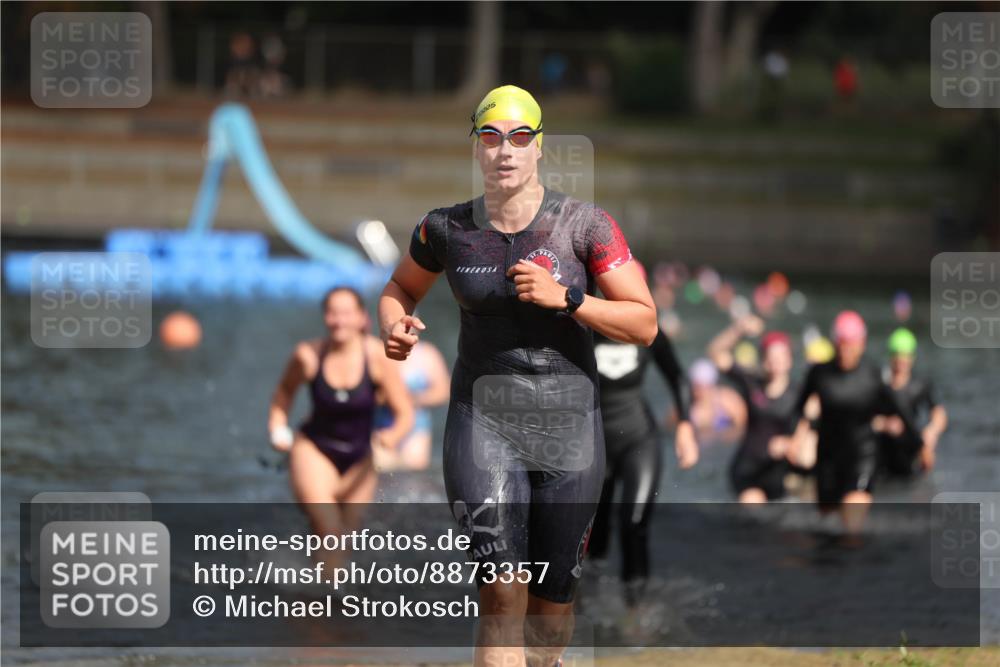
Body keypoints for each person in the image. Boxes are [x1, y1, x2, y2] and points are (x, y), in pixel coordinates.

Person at [378, 85, 656, 667]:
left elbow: (644, 323)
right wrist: (395, 324)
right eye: (491, 137)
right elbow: (400, 287)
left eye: (519, 137)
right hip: (483, 422)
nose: (505, 150)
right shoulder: (444, 229)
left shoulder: (585, 225)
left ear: (539, 148)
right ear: (476, 147)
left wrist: (569, 299)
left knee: (549, 613)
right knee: (502, 593)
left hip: (569, 430)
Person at [268, 287, 414, 565]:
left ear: (361, 318)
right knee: (330, 531)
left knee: (345, 540)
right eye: (332, 314)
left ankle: (314, 584)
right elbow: (283, 395)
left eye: (346, 313)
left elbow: (404, 412)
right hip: (314, 452)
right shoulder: (308, 355)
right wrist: (278, 427)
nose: (339, 321)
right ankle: (324, 587)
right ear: (325, 317)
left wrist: (391, 437)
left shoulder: (376, 357)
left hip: (361, 458)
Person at [588, 260, 699, 606]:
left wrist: (685, 426)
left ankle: (634, 613)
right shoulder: (583, 327)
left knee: (634, 524)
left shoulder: (648, 330)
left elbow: (677, 376)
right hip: (593, 444)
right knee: (593, 533)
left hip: (638, 438)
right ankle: (587, 603)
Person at [788, 311, 920, 534]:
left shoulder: (871, 375)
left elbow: (901, 411)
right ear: (834, 343)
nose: (846, 350)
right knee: (826, 528)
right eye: (841, 344)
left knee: (851, 528)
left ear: (862, 344)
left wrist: (920, 445)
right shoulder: (819, 374)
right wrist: (794, 439)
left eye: (851, 344)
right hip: (828, 457)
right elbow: (798, 410)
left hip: (862, 455)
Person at [708, 314, 801, 503]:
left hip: (779, 473)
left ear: (789, 360)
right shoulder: (752, 382)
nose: (775, 361)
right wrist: (739, 330)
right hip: (747, 470)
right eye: (771, 356)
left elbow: (812, 426)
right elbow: (715, 353)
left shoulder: (800, 393)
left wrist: (791, 443)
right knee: (752, 505)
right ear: (763, 359)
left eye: (780, 356)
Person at [874, 328, 948, 477]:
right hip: (882, 455)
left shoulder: (920, 385)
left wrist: (931, 434)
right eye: (898, 356)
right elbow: (862, 418)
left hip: (911, 452)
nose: (901, 361)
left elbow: (939, 413)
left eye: (905, 356)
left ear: (912, 357)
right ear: (891, 357)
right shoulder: (879, 385)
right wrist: (884, 424)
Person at [373, 338, 451, 471]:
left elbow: (443, 392)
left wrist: (412, 399)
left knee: (413, 473)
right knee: (381, 469)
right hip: (382, 425)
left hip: (417, 427)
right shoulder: (376, 350)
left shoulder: (427, 354)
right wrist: (388, 397)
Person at [680, 358, 746, 446]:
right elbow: (670, 430)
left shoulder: (729, 401)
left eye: (701, 387)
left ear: (711, 385)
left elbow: (743, 428)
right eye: (695, 387)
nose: (698, 391)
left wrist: (721, 436)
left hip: (724, 445)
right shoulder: (686, 405)